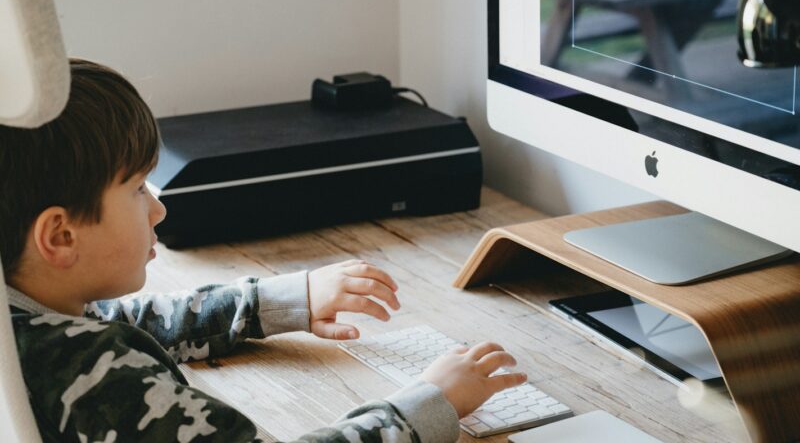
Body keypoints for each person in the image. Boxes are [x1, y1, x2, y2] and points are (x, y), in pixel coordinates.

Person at [1, 58, 527, 442]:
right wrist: (431, 403)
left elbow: (129, 320)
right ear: (61, 237)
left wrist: (285, 299)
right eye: (138, 188)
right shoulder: (95, 370)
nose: (158, 210)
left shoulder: (23, 319)